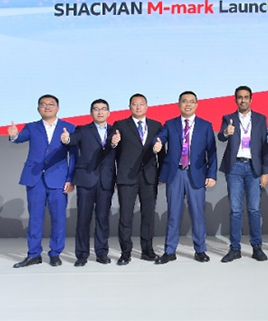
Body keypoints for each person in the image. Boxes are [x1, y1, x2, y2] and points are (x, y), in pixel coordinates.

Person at [8, 95, 76, 268]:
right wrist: (14, 136)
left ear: (58, 108)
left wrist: (70, 178)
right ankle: (33, 254)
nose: (47, 107)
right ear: (38, 108)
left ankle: (55, 254)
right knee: (35, 218)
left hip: (58, 179)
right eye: (43, 104)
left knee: (58, 218)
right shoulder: (31, 127)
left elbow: (74, 155)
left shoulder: (69, 127)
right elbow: (20, 137)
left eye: (51, 104)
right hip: (35, 178)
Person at [152, 91, 217, 264]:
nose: (188, 104)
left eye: (191, 101)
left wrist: (211, 174)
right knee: (173, 214)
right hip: (175, 174)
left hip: (196, 174)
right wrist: (157, 143)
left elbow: (212, 152)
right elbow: (160, 137)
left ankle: (200, 250)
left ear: (196, 104)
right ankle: (169, 251)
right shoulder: (170, 124)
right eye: (184, 101)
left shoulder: (205, 125)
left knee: (198, 214)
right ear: (178, 104)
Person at [217, 86, 268, 263]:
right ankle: (235, 249)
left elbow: (265, 147)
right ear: (235, 100)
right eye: (240, 97)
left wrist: (265, 172)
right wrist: (226, 132)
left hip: (254, 168)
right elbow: (221, 137)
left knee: (254, 210)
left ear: (251, 100)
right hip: (235, 168)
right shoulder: (228, 118)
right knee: (235, 210)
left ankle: (257, 248)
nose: (243, 100)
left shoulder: (261, 119)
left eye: (246, 97)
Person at [61, 99, 116, 266]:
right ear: (91, 112)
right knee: (83, 218)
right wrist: (66, 139)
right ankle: (81, 255)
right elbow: (72, 140)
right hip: (86, 179)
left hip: (106, 180)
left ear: (108, 112)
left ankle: (101, 253)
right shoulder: (83, 130)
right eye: (96, 109)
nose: (100, 112)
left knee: (103, 218)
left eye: (103, 109)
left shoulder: (115, 131)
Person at [111, 93, 163, 265]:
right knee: (125, 216)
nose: (138, 107)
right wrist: (113, 143)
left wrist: (161, 174)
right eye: (135, 104)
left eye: (141, 104)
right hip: (126, 177)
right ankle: (125, 252)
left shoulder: (156, 125)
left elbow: (162, 152)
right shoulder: (120, 125)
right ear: (130, 107)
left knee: (148, 215)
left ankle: (147, 250)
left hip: (149, 176)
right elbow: (113, 151)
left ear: (147, 106)